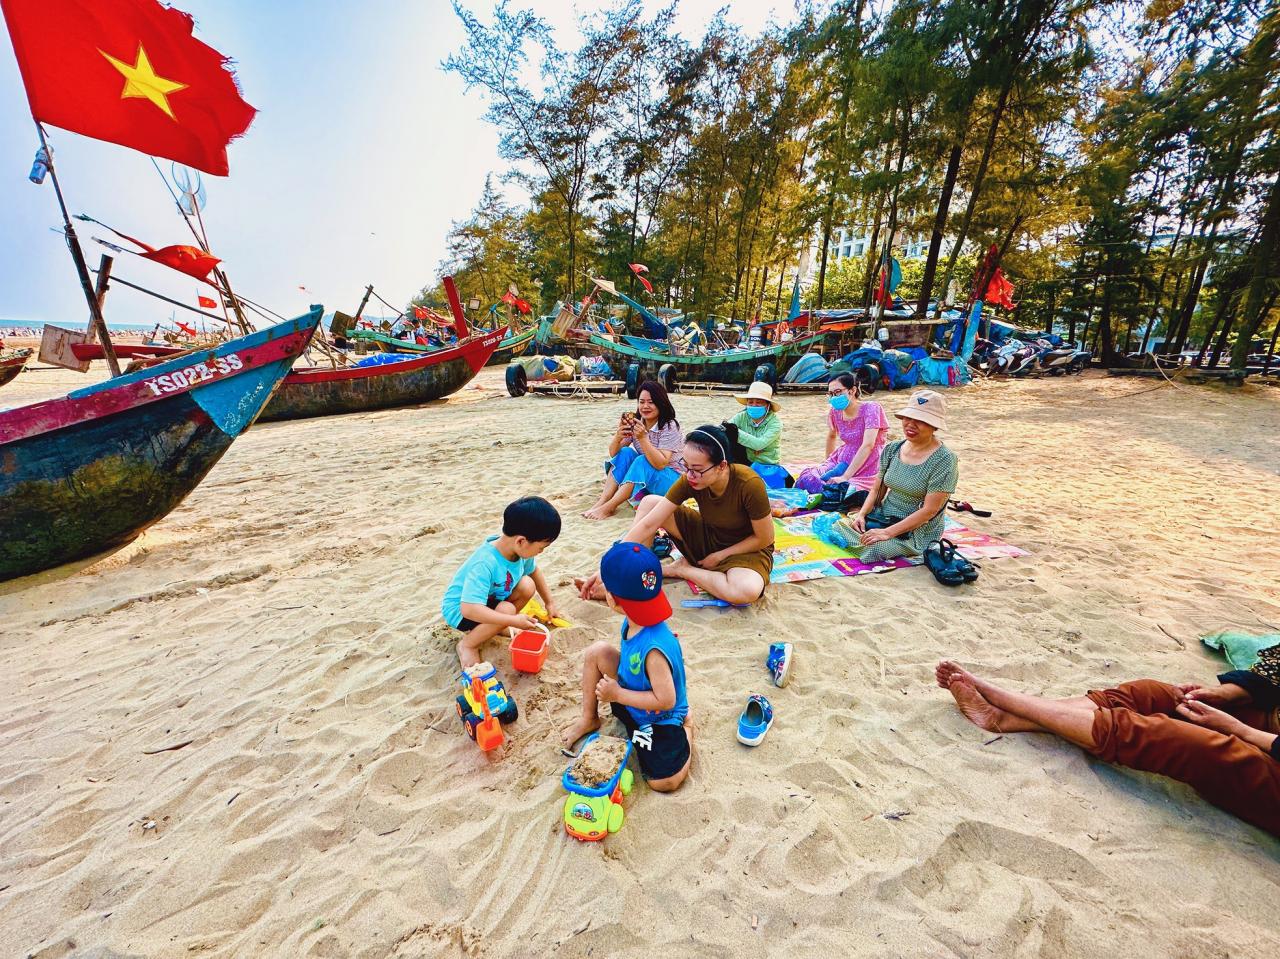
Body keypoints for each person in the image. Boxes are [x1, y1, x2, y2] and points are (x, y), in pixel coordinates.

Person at [936, 650, 1280, 837]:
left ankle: (1004, 704)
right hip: (1267, 719)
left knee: (1188, 741)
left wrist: (1243, 731)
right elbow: (1273, 670)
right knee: (1156, 694)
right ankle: (1008, 718)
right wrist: (1224, 694)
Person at [576, 425, 774, 605]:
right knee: (650, 503)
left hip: (745, 550)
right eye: (686, 466)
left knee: (745, 591)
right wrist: (607, 569)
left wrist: (721, 555)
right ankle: (632, 578)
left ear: (722, 466)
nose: (689, 476)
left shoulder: (748, 484)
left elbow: (764, 538)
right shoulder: (690, 479)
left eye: (697, 470)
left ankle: (683, 570)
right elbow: (648, 524)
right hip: (708, 536)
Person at [562, 542, 692, 792]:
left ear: (611, 599)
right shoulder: (637, 615)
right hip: (634, 689)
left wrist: (617, 694)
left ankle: (687, 728)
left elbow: (666, 700)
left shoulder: (654, 650)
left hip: (660, 716)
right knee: (597, 652)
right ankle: (589, 718)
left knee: (663, 782)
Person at [442, 496, 562, 667]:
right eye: (541, 547)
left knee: (527, 585)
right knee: (507, 609)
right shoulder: (485, 562)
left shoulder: (519, 551)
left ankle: (497, 625)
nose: (541, 552)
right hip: (461, 611)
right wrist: (512, 620)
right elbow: (468, 609)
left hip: (487, 601)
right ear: (521, 541)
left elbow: (534, 571)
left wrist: (549, 602)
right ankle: (468, 645)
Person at [846, 389, 957, 562]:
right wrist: (861, 514)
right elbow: (876, 490)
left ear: (934, 426)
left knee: (874, 549)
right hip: (884, 516)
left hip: (916, 530)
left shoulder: (944, 460)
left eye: (920, 421)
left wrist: (886, 533)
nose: (911, 424)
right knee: (836, 526)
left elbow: (929, 511)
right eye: (908, 418)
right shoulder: (893, 449)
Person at [585, 381, 684, 520]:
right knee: (626, 452)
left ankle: (609, 507)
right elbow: (615, 454)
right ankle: (603, 501)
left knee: (641, 460)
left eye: (651, 402)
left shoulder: (669, 426)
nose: (645, 406)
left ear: (661, 403)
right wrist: (617, 437)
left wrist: (643, 438)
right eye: (641, 402)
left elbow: (661, 463)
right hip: (648, 477)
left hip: (673, 480)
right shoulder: (637, 423)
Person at [794, 373, 889, 493]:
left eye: (838, 391)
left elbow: (868, 445)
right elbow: (831, 436)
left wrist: (845, 477)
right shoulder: (835, 411)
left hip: (868, 465)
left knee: (845, 491)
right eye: (831, 394)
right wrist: (827, 464)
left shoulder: (871, 408)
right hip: (841, 460)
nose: (834, 397)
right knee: (808, 478)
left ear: (852, 390)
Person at [724, 381, 790, 488]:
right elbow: (725, 429)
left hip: (768, 466)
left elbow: (759, 444)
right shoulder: (741, 416)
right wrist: (729, 430)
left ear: (767, 405)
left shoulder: (775, 423)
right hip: (747, 461)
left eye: (758, 402)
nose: (754, 405)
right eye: (750, 402)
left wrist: (735, 432)